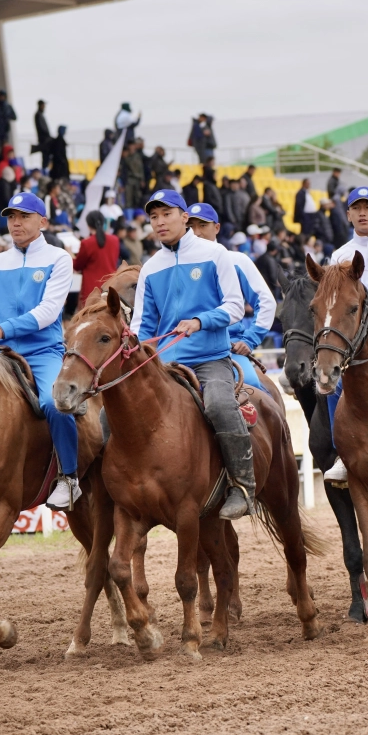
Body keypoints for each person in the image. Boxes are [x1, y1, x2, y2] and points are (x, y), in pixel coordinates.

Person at [131, 189, 253, 520]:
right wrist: (140, 355)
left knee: (219, 404)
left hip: (210, 358)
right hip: (166, 364)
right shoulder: (150, 268)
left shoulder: (215, 254)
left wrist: (200, 321)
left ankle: (242, 486)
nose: (159, 222)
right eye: (153, 217)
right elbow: (143, 326)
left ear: (184, 217)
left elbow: (235, 307)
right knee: (109, 415)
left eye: (166, 214)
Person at [0, 192, 79, 509]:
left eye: (24, 216)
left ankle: (69, 478)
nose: (16, 223)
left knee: (54, 402)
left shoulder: (59, 258)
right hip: (0, 354)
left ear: (42, 221)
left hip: (42, 352)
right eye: (11, 217)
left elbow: (48, 312)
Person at [320, 186, 368, 484]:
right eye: (356, 208)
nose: (362, 213)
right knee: (332, 383)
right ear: (347, 215)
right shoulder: (340, 254)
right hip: (357, 332)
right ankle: (343, 454)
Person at [184, 204, 277, 393]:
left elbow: (266, 301)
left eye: (202, 225)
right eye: (191, 227)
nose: (196, 232)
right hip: (185, 348)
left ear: (216, 228)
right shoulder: (175, 265)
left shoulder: (237, 260)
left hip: (229, 348)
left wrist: (250, 340)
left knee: (252, 389)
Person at [73, 210, 120, 308]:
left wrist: (70, 254)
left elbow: (77, 266)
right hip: (110, 286)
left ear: (88, 225)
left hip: (91, 289)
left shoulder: (87, 243)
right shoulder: (115, 240)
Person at [33, 100, 51, 172]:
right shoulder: (38, 115)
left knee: (46, 159)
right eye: (43, 105)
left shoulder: (39, 115)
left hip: (44, 140)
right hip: (44, 141)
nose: (44, 107)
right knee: (45, 159)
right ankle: (44, 172)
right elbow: (43, 129)